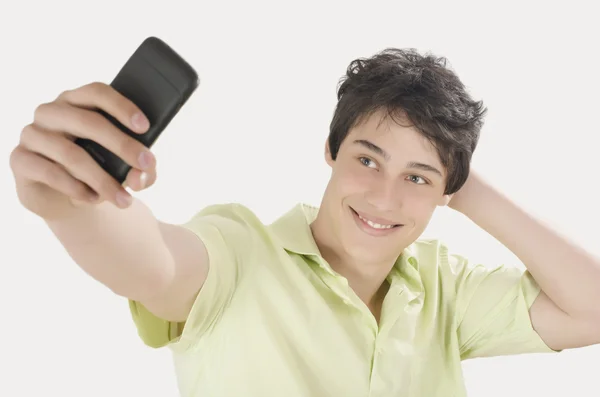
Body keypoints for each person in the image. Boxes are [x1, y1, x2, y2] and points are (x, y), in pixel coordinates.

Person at [9, 48, 600, 397]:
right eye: (367, 159)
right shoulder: (240, 253)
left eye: (417, 177)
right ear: (331, 152)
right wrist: (69, 202)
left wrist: (457, 181)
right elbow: (153, 265)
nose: (383, 197)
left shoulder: (445, 288)